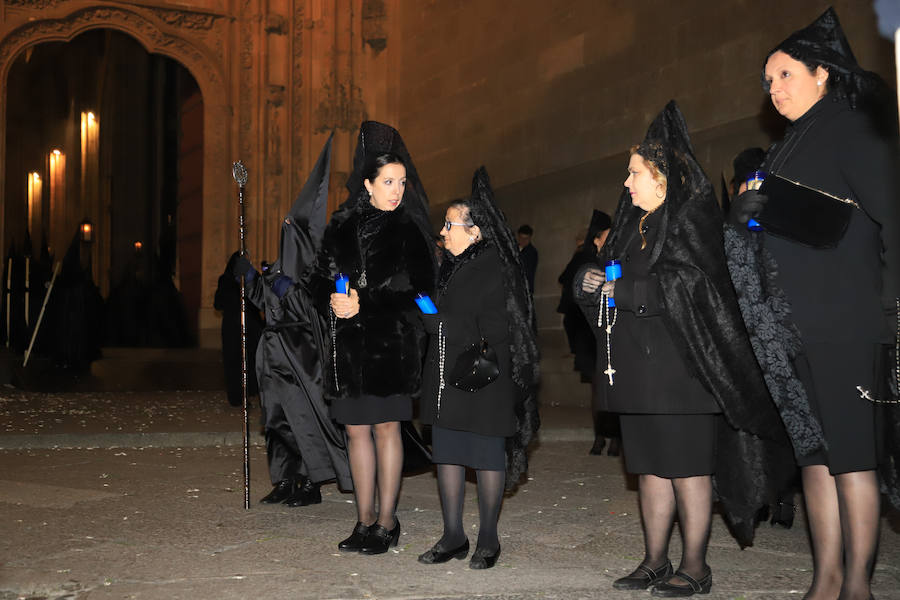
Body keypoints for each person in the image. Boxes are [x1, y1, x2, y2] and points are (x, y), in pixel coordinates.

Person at [576, 101, 786, 596]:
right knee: (648, 469)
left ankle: (696, 566)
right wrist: (588, 284)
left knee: (689, 472)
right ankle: (653, 559)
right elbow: (607, 279)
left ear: (662, 178)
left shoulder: (691, 221)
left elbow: (696, 288)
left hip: (682, 372)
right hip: (637, 372)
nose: (626, 183)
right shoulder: (633, 226)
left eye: (634, 174)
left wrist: (622, 292)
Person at [731, 9, 900, 599]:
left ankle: (858, 586)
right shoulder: (783, 151)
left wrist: (891, 306)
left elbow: (891, 216)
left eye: (783, 75)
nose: (773, 90)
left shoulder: (852, 129)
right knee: (817, 457)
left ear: (822, 73)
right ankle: (824, 580)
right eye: (767, 82)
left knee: (853, 458)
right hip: (795, 327)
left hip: (849, 321)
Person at [311, 121, 436, 555]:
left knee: (386, 430)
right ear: (367, 184)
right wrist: (333, 299)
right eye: (388, 182)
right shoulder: (340, 226)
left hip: (391, 348)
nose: (397, 190)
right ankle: (363, 520)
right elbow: (316, 277)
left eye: (401, 182)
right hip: (348, 349)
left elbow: (422, 292)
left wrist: (367, 302)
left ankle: (387, 521)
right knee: (355, 432)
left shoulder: (408, 230)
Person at [417, 167, 539, 570]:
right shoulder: (451, 265)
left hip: (484, 378)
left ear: (475, 231)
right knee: (448, 454)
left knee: (487, 457)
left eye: (451, 224)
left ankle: (488, 538)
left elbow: (500, 328)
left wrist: (440, 324)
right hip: (447, 377)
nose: (444, 230)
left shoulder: (495, 267)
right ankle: (453, 535)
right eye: (445, 223)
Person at [234, 134, 352, 506]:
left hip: (302, 355)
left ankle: (309, 482)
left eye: (291, 230)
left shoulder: (317, 272)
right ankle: (284, 478)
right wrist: (249, 277)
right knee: (276, 419)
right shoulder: (279, 270)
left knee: (304, 418)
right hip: (272, 352)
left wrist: (293, 291)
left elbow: (315, 308)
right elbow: (260, 300)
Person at [556, 211, 620, 456]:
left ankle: (614, 439)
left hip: (611, 334)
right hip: (589, 334)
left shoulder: (622, 259)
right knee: (598, 387)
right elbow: (570, 283)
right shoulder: (583, 260)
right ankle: (600, 437)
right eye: (605, 235)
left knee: (612, 387)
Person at [214, 251, 263, 407]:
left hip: (239, 326)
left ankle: (240, 394)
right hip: (243, 326)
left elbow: (218, 303)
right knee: (241, 361)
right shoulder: (237, 280)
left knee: (238, 361)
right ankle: (242, 394)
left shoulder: (227, 280)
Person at [516, 224, 538, 295]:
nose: (523, 241)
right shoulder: (513, 249)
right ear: (518, 237)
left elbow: (528, 272)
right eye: (521, 238)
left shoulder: (532, 252)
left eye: (526, 238)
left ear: (530, 238)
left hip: (525, 288)